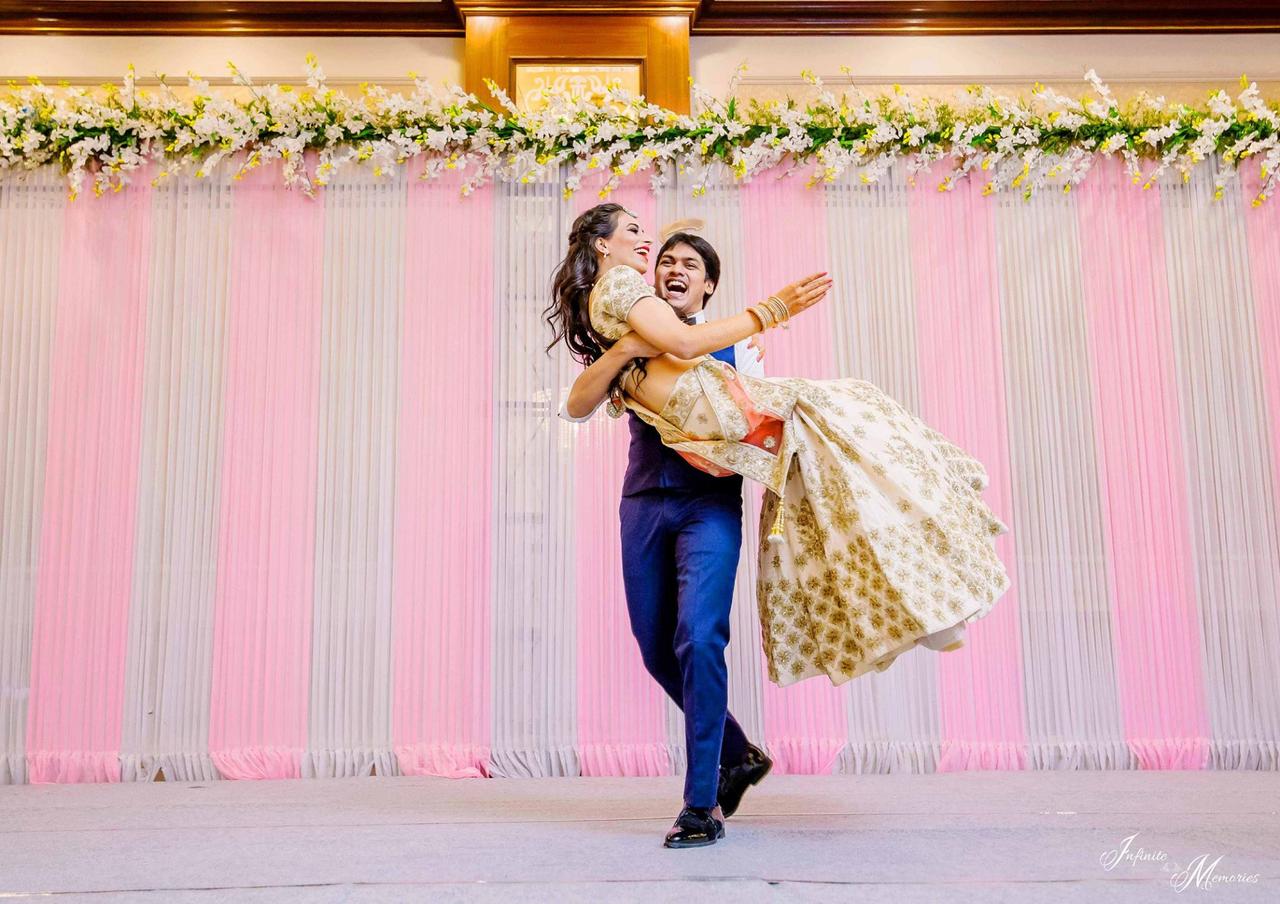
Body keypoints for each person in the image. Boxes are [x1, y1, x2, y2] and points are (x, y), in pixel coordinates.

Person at [556, 221, 773, 849]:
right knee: (655, 648)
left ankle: (701, 804)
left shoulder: (740, 354)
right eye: (666, 262)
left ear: (708, 289)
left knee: (699, 637)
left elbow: (758, 429)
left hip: (709, 508)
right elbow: (575, 404)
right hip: (645, 503)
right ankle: (739, 755)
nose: (673, 269)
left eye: (689, 265)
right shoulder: (636, 339)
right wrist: (622, 351)